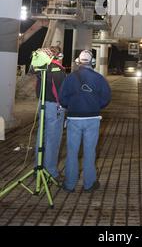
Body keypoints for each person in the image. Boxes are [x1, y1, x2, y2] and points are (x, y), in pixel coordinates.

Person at [60, 50, 111, 192]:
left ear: (78, 61)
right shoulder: (99, 78)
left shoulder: (69, 78)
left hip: (74, 118)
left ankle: (70, 184)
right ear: (92, 62)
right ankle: (89, 184)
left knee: (72, 151)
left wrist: (70, 106)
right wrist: (95, 106)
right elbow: (106, 98)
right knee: (90, 152)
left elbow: (62, 98)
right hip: (92, 119)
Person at [35, 47, 66, 180]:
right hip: (55, 107)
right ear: (58, 56)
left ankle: (38, 167)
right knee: (53, 139)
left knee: (41, 137)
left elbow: (38, 90)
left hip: (43, 105)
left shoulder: (41, 68)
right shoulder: (57, 69)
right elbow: (61, 91)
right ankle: (51, 171)